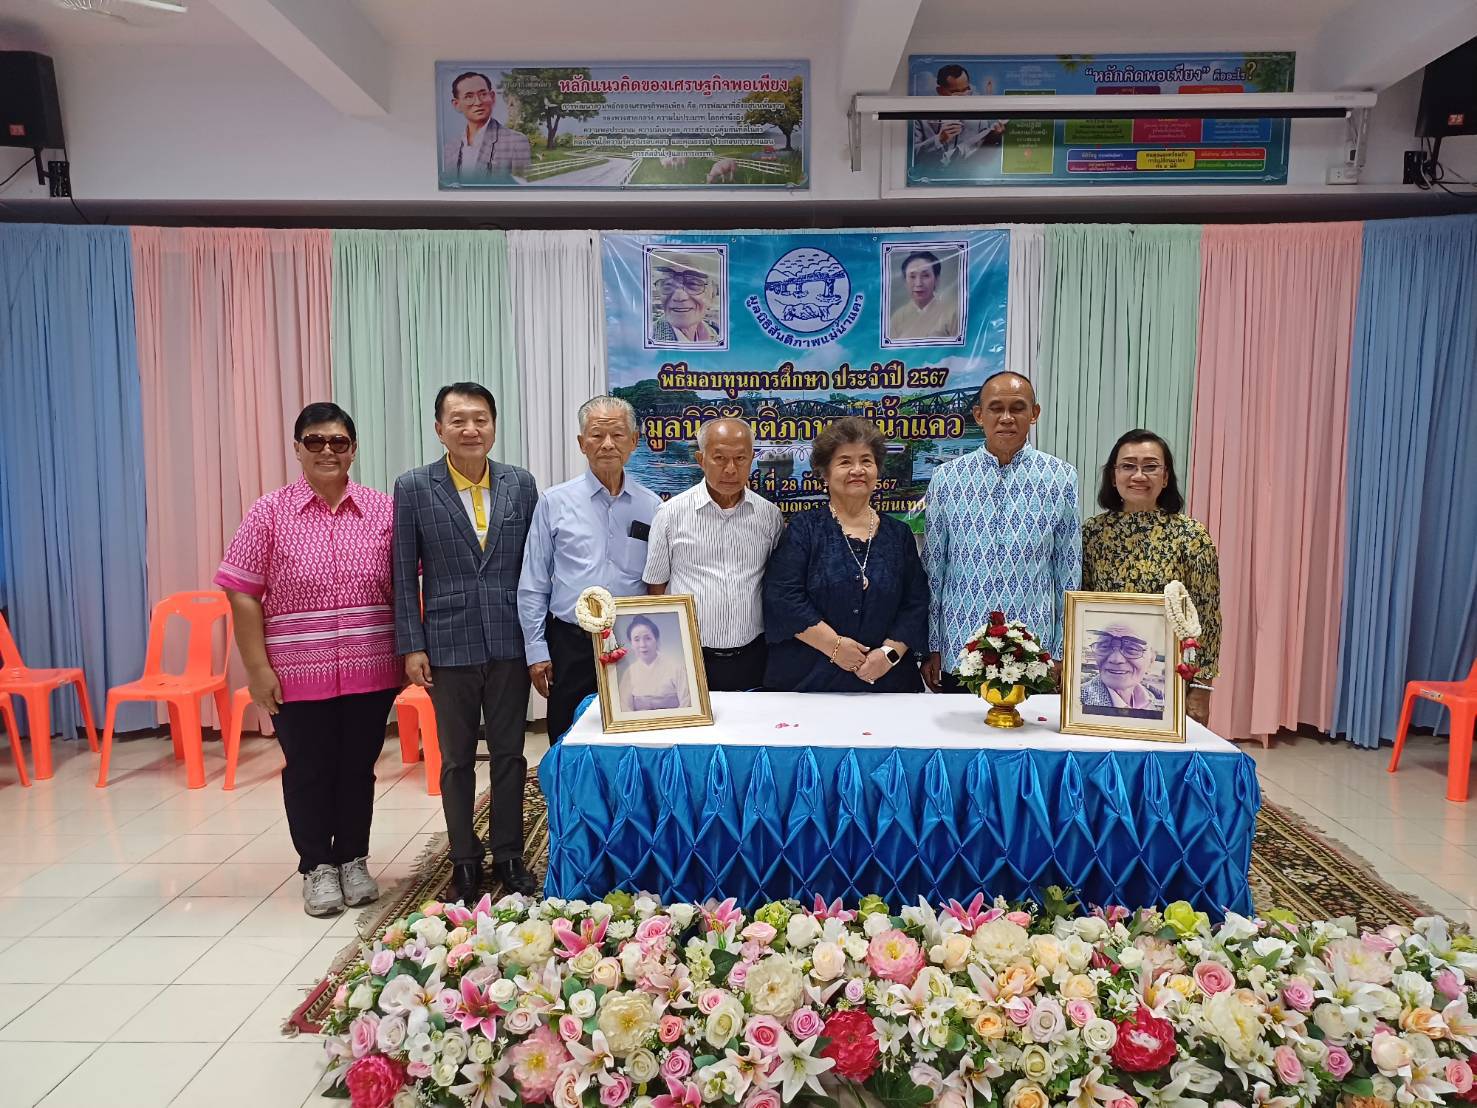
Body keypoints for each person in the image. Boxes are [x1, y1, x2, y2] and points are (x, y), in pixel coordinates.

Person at [216, 403, 398, 918]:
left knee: (358, 769)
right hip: (294, 673)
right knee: (309, 769)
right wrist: (257, 668)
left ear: (353, 449)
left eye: (338, 442)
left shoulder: (383, 510)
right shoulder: (269, 512)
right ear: (297, 449)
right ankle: (317, 866)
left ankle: (353, 859)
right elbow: (242, 591)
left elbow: (408, 585)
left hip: (369, 667)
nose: (327, 451)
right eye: (315, 441)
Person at [392, 382, 539, 904]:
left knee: (510, 755)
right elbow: (402, 571)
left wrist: (537, 640)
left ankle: (509, 854)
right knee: (454, 759)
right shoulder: (414, 487)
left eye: (481, 419)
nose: (471, 429)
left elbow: (535, 566)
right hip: (447, 643)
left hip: (509, 640)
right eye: (458, 420)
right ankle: (464, 859)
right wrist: (412, 644)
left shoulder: (520, 483)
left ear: (494, 426)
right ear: (439, 429)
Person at [923, 371, 1080, 692]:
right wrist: (932, 646)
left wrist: (1062, 650)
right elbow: (934, 569)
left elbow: (1068, 570)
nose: (1006, 418)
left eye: (1018, 408)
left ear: (1034, 414)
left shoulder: (1061, 477)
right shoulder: (947, 478)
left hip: (1034, 652)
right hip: (961, 645)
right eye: (996, 408)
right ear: (979, 415)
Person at [519, 395, 661, 740]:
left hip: (631, 641)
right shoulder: (554, 502)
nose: (607, 444)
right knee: (568, 737)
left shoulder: (653, 506)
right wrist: (536, 652)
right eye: (597, 435)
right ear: (582, 443)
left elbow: (658, 581)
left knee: (633, 738)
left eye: (618, 434)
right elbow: (534, 582)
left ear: (634, 441)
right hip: (571, 643)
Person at [763, 417, 929, 692]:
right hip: (809, 682)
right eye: (844, 462)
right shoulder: (805, 529)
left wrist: (888, 655)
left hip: (887, 682)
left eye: (866, 461)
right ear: (824, 473)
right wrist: (835, 647)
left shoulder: (898, 534)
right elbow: (782, 598)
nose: (857, 470)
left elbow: (916, 602)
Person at [1082, 429, 1221, 726]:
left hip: (1169, 678)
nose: (1138, 476)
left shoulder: (1191, 536)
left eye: (1150, 467)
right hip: (1105, 675)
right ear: (1113, 476)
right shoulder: (1092, 534)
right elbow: (1082, 610)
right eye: (1128, 466)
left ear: (1166, 477)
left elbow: (1207, 616)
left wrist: (1202, 689)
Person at [644, 417, 784, 691]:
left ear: (752, 459)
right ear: (701, 459)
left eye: (740, 458)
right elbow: (656, 589)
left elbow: (774, 584)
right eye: (719, 458)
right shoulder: (670, 515)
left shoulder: (769, 516)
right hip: (688, 657)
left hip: (754, 655)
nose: (730, 469)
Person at [442, 71, 532, 183]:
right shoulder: (450, 149)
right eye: (469, 96)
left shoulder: (516, 142)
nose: (478, 102)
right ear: (457, 104)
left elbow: (523, 189)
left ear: (492, 97)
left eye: (483, 94)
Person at [912, 63, 1006, 170]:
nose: (963, 96)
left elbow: (985, 158)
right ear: (940, 91)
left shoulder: (980, 117)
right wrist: (939, 139)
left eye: (966, 90)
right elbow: (911, 155)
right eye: (955, 92)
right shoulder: (921, 117)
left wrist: (994, 138)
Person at [1081, 622, 1165, 719]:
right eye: (1105, 647)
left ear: (1151, 661)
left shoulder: (1159, 699)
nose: (1116, 659)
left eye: (1131, 649)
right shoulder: (1077, 700)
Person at [617, 616, 692, 712]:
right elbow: (624, 706)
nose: (642, 645)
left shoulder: (676, 668)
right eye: (636, 639)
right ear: (631, 644)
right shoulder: (630, 672)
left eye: (648, 638)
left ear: (656, 640)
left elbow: (687, 702)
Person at [888, 250, 961, 342]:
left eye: (925, 275)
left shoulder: (952, 313)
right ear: (905, 281)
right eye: (912, 276)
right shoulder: (897, 318)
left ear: (936, 279)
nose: (918, 283)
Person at [650, 254, 722, 344]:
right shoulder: (648, 338)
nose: (679, 297)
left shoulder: (715, 334)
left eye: (693, 284)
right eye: (668, 284)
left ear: (713, 294)